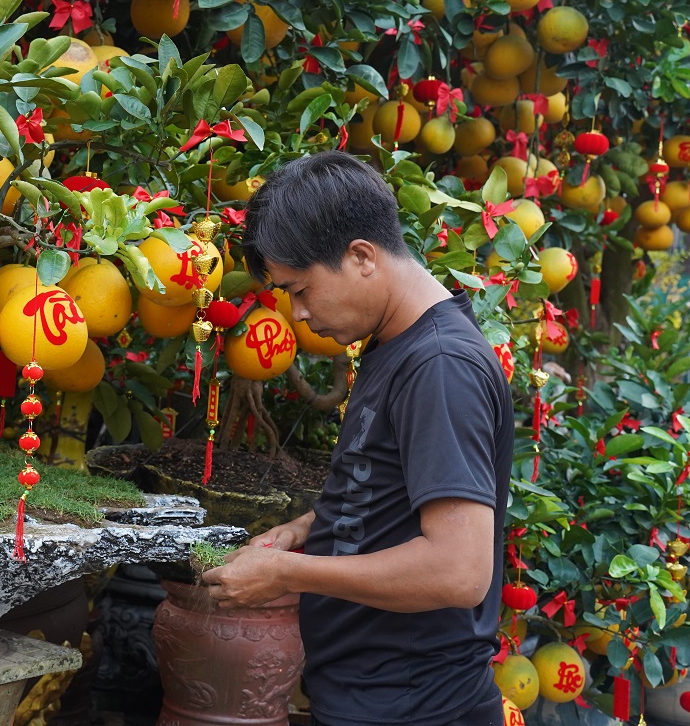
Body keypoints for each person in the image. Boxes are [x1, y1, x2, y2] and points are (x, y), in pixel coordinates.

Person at [200, 151, 514, 726]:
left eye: (299, 289)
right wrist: (302, 531)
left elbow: (458, 570)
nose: (296, 314)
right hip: (373, 697)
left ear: (362, 257)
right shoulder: (396, 344)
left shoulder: (440, 365)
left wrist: (288, 574)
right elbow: (384, 491)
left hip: (417, 707)